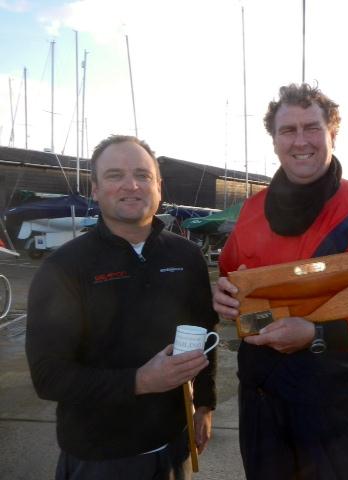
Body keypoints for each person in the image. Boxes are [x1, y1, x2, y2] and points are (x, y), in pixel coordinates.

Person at [213, 83, 348, 479]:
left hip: (333, 403)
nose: (300, 141)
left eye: (311, 128)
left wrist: (317, 333)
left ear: (332, 133)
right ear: (274, 141)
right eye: (288, 130)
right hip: (261, 397)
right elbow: (232, 282)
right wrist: (224, 297)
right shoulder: (250, 211)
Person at [26, 135, 218, 480]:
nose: (131, 185)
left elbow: (203, 332)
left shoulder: (186, 257)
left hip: (174, 448)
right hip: (98, 458)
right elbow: (48, 378)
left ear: (159, 186)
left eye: (143, 175)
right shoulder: (64, 268)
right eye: (115, 175)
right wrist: (139, 381)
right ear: (96, 189)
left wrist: (205, 404)